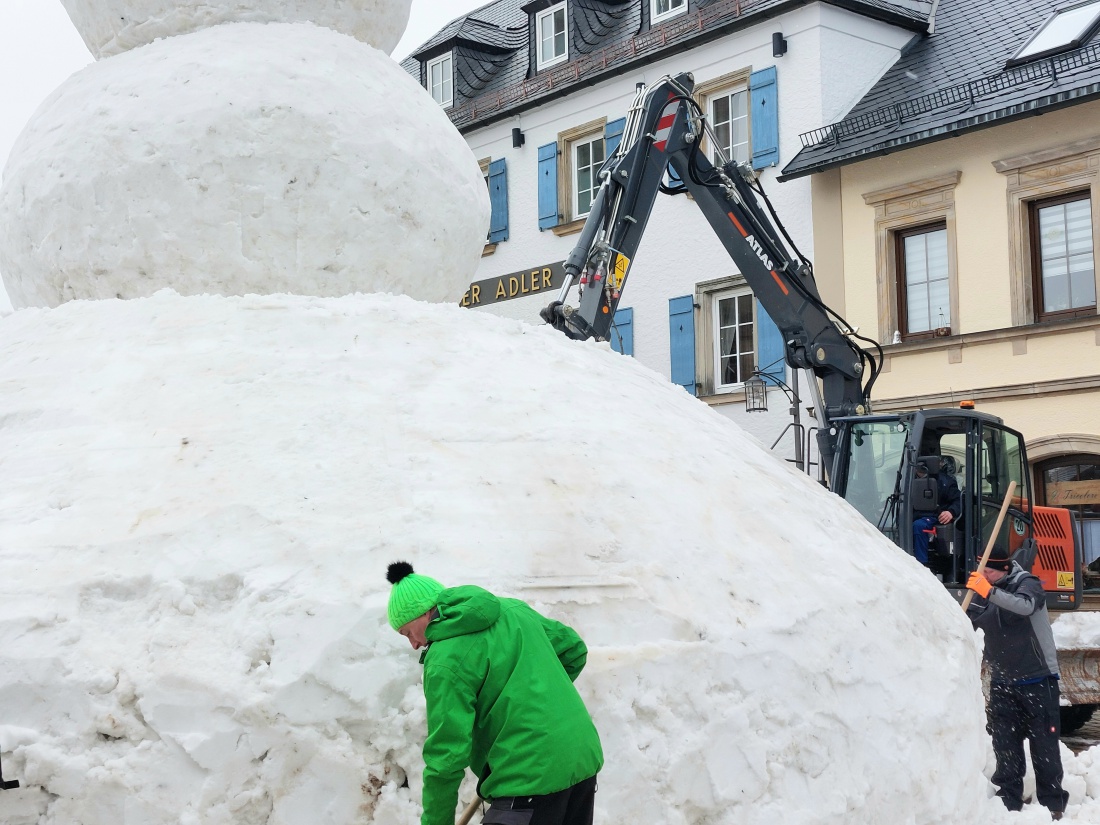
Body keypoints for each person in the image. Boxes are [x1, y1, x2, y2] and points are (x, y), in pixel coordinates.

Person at [386, 561, 603, 825]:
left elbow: (446, 756)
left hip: (527, 775)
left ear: (423, 613)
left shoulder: (445, 661)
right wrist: (536, 697)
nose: (413, 644)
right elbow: (573, 649)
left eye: (408, 632)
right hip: (581, 758)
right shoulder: (512, 610)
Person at [965, 545, 1068, 820]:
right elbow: (968, 620)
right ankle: (1007, 799)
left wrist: (989, 591)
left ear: (1005, 569)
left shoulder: (1028, 584)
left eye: (988, 569)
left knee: (1044, 745)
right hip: (1003, 681)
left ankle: (1052, 803)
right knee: (1005, 743)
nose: (982, 574)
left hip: (1038, 679)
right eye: (981, 568)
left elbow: (1025, 607)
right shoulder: (983, 591)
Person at [911, 458, 962, 565]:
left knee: (918, 526)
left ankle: (921, 564)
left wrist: (950, 512)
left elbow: (959, 500)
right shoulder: (907, 481)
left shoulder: (945, 481)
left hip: (934, 516)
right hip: (910, 515)